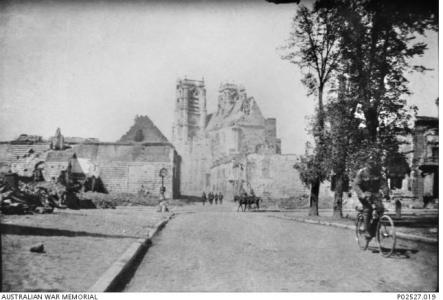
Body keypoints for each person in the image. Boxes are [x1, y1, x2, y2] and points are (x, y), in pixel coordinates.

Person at [353, 154, 389, 239]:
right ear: (366, 163)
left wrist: (386, 192)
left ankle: (372, 229)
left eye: (373, 163)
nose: (371, 165)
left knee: (380, 210)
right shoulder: (361, 172)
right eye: (369, 163)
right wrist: (362, 194)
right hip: (364, 194)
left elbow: (383, 184)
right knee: (368, 209)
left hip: (375, 194)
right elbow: (356, 185)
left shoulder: (378, 172)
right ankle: (366, 230)